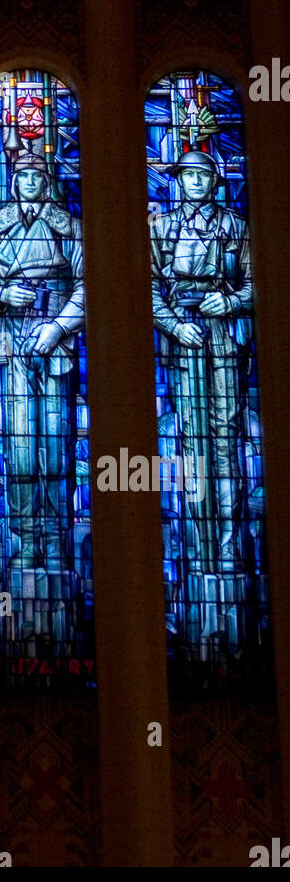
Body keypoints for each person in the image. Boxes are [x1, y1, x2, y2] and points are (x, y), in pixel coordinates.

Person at [150, 150, 252, 572]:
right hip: (183, 341)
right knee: (192, 444)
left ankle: (229, 544)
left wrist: (227, 302)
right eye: (186, 175)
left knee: (226, 440)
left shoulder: (236, 227)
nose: (193, 182)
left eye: (200, 175)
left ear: (214, 182)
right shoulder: (162, 229)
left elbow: (258, 284)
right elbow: (147, 286)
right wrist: (175, 325)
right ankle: (198, 547)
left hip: (223, 339)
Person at [0, 151, 85, 571]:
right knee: (21, 448)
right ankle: (26, 540)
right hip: (12, 345)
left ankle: (57, 542)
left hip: (56, 343)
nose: (28, 182)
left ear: (47, 181)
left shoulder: (70, 229)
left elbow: (88, 284)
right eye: (21, 175)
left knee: (57, 450)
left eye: (36, 175)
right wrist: (4, 295)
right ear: (13, 181)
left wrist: (58, 327)